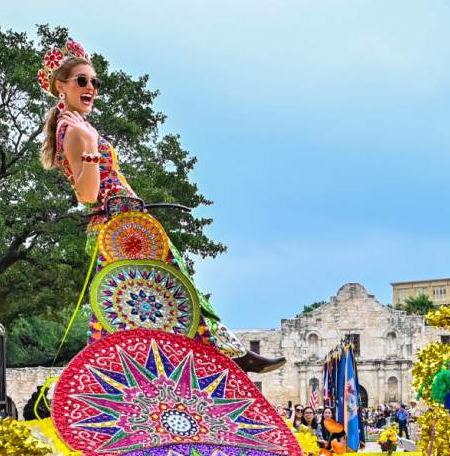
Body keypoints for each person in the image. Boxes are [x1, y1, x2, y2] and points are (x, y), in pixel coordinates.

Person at [39, 40, 284, 373]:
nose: (91, 88)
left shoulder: (79, 128)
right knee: (157, 296)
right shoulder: (76, 132)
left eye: (95, 82)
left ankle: (220, 354)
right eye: (82, 81)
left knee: (148, 299)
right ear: (60, 86)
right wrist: (93, 145)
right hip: (117, 227)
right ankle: (219, 356)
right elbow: (86, 194)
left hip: (130, 224)